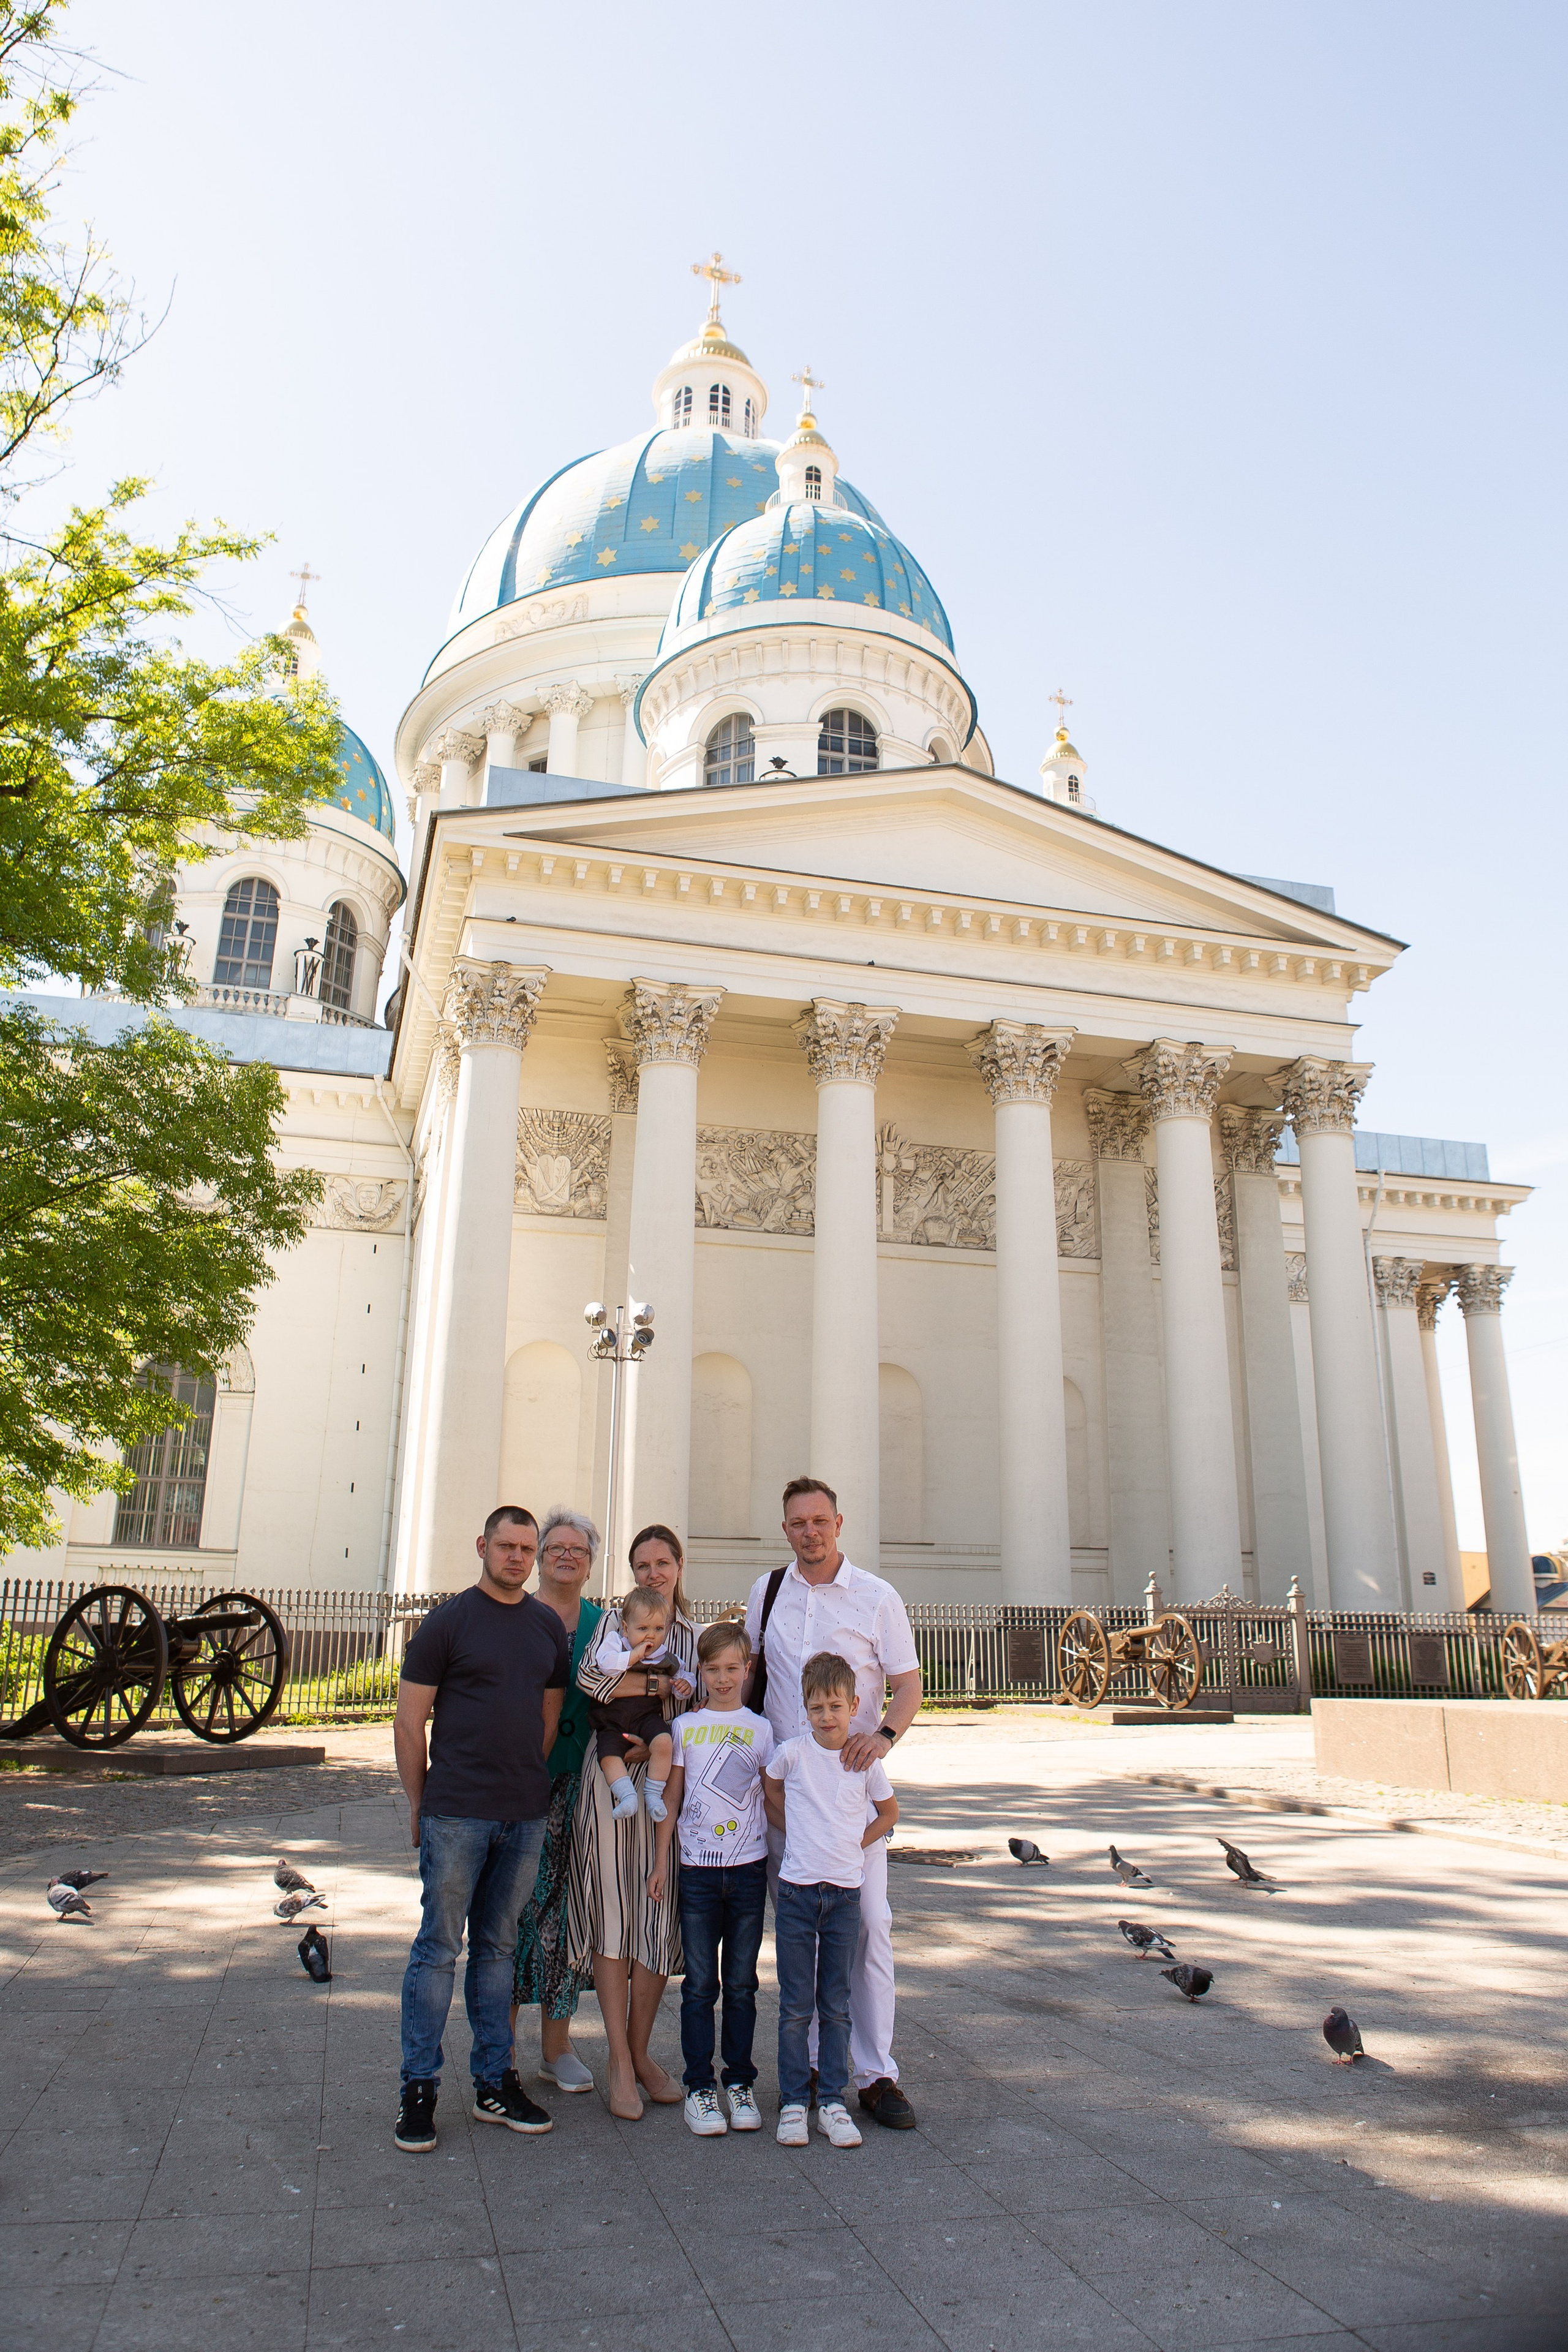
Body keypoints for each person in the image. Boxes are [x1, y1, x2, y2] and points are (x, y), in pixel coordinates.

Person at [745, 1476, 924, 2130]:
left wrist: (883, 1737)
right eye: (798, 1523)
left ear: (838, 1524)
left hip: (851, 1805)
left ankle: (876, 2074)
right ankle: (817, 2070)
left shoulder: (876, 1597)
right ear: (785, 1529)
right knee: (802, 1938)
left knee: (869, 1927)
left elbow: (908, 1685)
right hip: (789, 1801)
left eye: (820, 1521)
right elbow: (747, 1674)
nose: (810, 1532)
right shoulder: (767, 1594)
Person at [393, 1504, 567, 2152]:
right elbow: (409, 1722)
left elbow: (547, 1720)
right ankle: (419, 2088)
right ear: (482, 1547)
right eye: (506, 1546)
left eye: (526, 1548)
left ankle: (495, 2081)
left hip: (523, 1815)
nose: (517, 1557)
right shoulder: (447, 1622)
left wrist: (521, 1781)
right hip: (456, 1812)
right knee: (438, 1948)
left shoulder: (546, 1627)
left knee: (498, 1950)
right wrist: (420, 1803)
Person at [567, 1521, 700, 2119]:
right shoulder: (611, 1623)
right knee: (614, 1913)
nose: (653, 1574)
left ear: (678, 1566)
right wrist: (656, 1683)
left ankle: (642, 2053)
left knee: (654, 1914)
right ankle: (619, 2061)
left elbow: (699, 1704)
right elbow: (592, 1683)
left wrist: (643, 1691)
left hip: (665, 1785)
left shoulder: (692, 1635)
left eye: (662, 1563)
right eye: (642, 1565)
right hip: (610, 1783)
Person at [764, 1650, 899, 2149]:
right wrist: (796, 1831)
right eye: (817, 1708)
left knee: (836, 2003)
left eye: (836, 1707)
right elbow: (770, 1789)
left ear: (854, 1706)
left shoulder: (863, 1762)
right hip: (798, 1893)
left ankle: (834, 2102)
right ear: (804, 1709)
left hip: (844, 1895)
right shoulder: (793, 1754)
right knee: (795, 2004)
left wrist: (853, 1843)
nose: (827, 1717)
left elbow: (889, 1813)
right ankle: (794, 2100)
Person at [647, 1620, 774, 2136]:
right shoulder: (685, 1728)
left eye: (732, 1669)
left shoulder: (762, 1730)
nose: (723, 1679)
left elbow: (773, 1797)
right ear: (700, 1671)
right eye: (713, 1669)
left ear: (747, 1669)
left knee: (742, 1984)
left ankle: (739, 2082)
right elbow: (672, 1797)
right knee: (700, 1986)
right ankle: (699, 2087)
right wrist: (662, 1861)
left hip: (748, 1871)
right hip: (697, 1872)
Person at [511, 1507, 603, 2097]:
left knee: (568, 1912)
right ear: (540, 1557)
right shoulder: (513, 1614)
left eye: (579, 1550)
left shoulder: (605, 1624)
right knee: (510, 1910)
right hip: (522, 1781)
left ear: (591, 1563)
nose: (567, 1557)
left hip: (585, 1782)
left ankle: (557, 2047)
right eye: (556, 1548)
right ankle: (499, 2045)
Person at [586, 1586, 677, 1819]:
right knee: (609, 1756)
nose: (651, 1636)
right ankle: (626, 1795)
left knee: (664, 1742)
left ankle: (654, 1792)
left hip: (646, 1718)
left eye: (658, 1629)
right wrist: (634, 1656)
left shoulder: (663, 1655)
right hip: (612, 1720)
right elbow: (604, 1666)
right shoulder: (615, 1642)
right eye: (643, 1629)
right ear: (626, 1628)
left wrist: (685, 1684)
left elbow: (680, 1676)